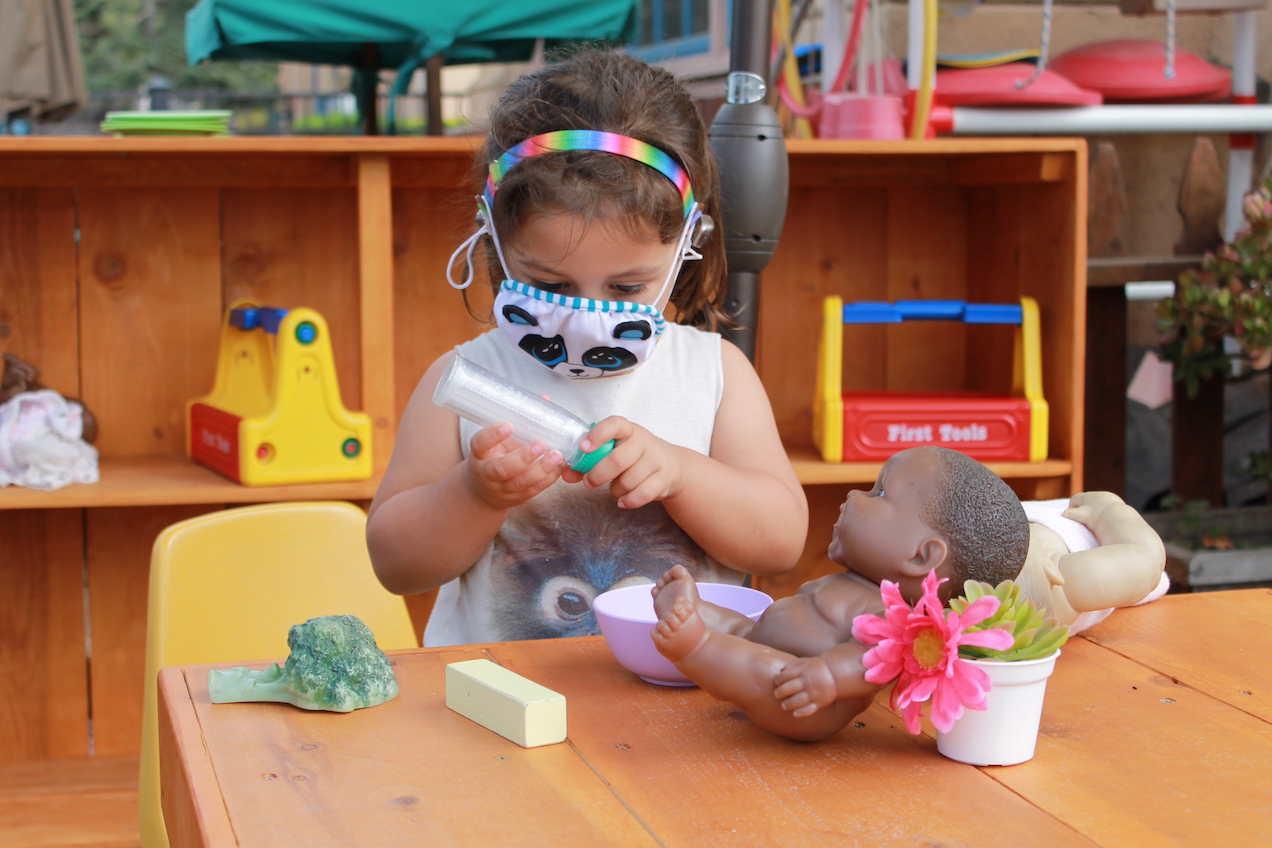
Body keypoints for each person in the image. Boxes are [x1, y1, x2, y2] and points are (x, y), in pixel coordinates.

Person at [366, 51, 807, 647]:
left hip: (676, 706)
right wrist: (471, 494)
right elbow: (396, 565)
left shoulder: (714, 375)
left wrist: (682, 475)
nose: (586, 317)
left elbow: (780, 542)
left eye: (627, 288)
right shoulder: (466, 378)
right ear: (493, 237)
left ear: (685, 247)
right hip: (496, 704)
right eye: (550, 285)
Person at [650, 446, 1169, 742]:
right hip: (1003, 524)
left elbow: (1145, 565)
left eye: (877, 492)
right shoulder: (871, 576)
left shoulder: (1054, 577)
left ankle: (698, 646)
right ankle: (705, 626)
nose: (853, 494)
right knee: (757, 638)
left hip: (1062, 537)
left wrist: (1110, 514)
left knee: (787, 692)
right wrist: (710, 611)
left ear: (920, 558)